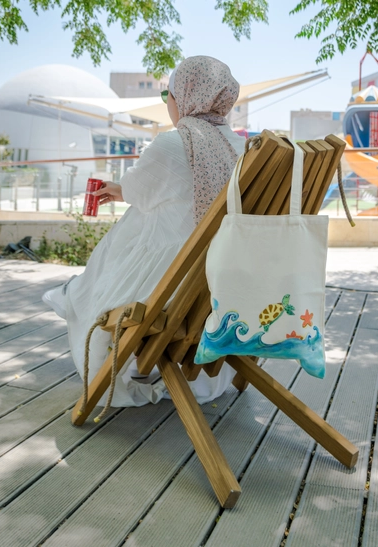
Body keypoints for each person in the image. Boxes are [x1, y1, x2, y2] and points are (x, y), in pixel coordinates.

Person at [42, 55, 246, 407]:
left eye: (170, 92)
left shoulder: (172, 144)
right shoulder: (242, 149)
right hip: (223, 294)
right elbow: (175, 191)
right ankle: (74, 294)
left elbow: (142, 189)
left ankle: (75, 295)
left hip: (168, 297)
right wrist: (127, 190)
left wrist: (125, 190)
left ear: (184, 96)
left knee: (129, 235)